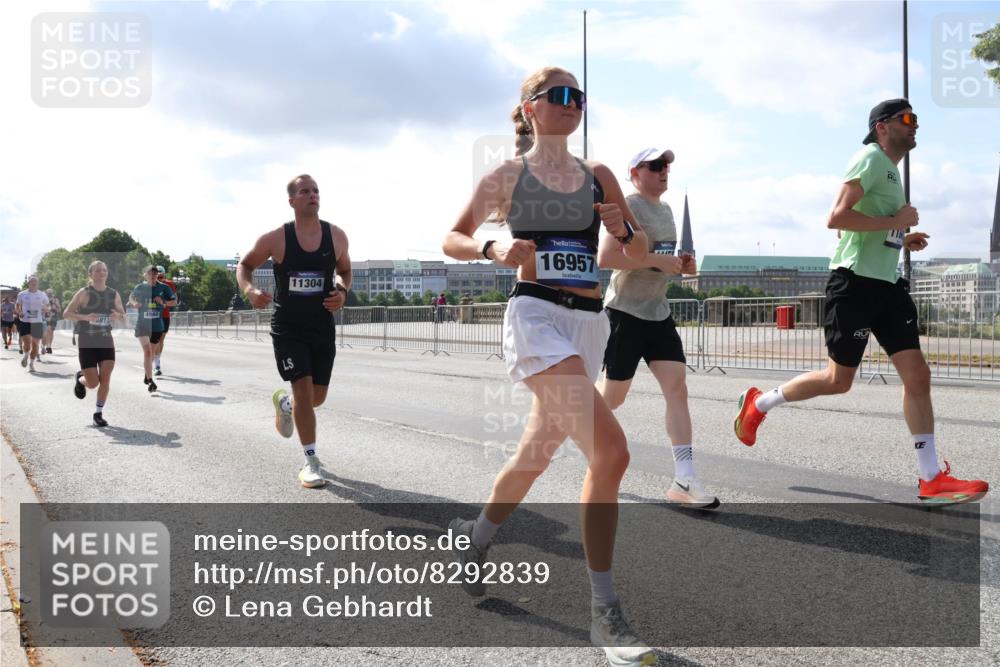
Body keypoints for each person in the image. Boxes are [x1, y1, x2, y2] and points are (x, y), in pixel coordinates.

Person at [443, 66, 657, 667]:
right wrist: (491, 247)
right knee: (611, 453)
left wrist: (623, 229)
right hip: (536, 317)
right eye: (558, 96)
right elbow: (452, 236)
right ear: (529, 108)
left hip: (590, 324)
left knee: (533, 457)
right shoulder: (509, 176)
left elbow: (633, 254)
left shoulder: (600, 175)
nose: (571, 104)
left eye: (578, 97)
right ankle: (605, 613)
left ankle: (475, 538)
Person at [734, 98, 988, 505]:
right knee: (838, 381)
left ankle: (930, 478)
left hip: (887, 286)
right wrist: (897, 221)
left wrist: (902, 239)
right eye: (908, 119)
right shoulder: (869, 159)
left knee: (917, 376)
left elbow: (868, 231)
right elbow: (836, 218)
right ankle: (760, 403)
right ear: (882, 127)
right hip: (853, 286)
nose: (915, 125)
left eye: (917, 119)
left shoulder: (891, 171)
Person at [598, 147, 715, 509]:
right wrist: (656, 260)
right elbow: (607, 258)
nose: (665, 171)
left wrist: (682, 264)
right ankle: (561, 431)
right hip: (624, 312)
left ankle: (684, 478)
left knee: (677, 389)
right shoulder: (628, 205)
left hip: (658, 312)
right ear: (635, 173)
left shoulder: (665, 210)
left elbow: (663, 262)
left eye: (667, 166)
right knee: (612, 398)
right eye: (655, 166)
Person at [237, 174, 352, 490]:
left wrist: (341, 292)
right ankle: (311, 461)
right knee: (302, 390)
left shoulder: (336, 236)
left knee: (316, 397)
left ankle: (284, 405)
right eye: (305, 191)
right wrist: (249, 290)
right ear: (292, 200)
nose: (312, 195)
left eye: (315, 190)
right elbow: (244, 265)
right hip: (288, 327)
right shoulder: (277, 238)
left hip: (321, 326)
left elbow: (345, 271)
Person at [63, 260, 126, 426]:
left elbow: (124, 317)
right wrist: (85, 317)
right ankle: (81, 379)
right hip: (86, 340)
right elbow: (66, 314)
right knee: (93, 383)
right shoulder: (84, 293)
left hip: (105, 339)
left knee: (105, 380)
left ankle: (98, 413)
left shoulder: (113, 294)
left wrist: (117, 316)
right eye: (97, 270)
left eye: (104, 270)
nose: (101, 273)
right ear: (90, 274)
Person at [128, 266, 176, 393]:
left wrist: (164, 302)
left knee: (152, 354)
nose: (153, 275)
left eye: (155, 273)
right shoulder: (140, 287)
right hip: (142, 325)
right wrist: (134, 303)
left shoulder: (164, 287)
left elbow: (174, 302)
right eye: (150, 273)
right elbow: (131, 297)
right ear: (145, 275)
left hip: (157, 326)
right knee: (148, 352)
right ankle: (150, 381)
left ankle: (147, 375)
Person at [15, 276, 49, 372]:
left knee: (35, 345)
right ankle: (26, 355)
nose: (34, 284)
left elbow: (48, 306)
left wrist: (45, 308)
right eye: (32, 282)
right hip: (25, 322)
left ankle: (31, 364)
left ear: (38, 284)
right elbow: (17, 306)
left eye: (36, 282)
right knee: (27, 344)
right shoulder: (22, 294)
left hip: (37, 322)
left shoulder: (42, 294)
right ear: (29, 284)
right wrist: (19, 312)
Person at [152, 266, 177, 376]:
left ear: (165, 275)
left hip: (164, 316)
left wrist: (163, 303)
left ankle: (157, 364)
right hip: (151, 316)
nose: (160, 279)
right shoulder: (148, 284)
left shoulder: (169, 285)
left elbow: (174, 301)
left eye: (162, 276)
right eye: (158, 276)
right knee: (153, 342)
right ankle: (152, 359)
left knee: (160, 341)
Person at [42, 288, 61, 354]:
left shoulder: (56, 300)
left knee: (51, 332)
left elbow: (59, 310)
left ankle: (49, 346)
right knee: (47, 331)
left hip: (54, 317)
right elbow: (42, 309)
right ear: (46, 293)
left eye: (51, 293)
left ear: (53, 293)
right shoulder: (44, 300)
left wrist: (56, 306)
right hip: (46, 317)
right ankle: (45, 346)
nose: (49, 294)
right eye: (48, 293)